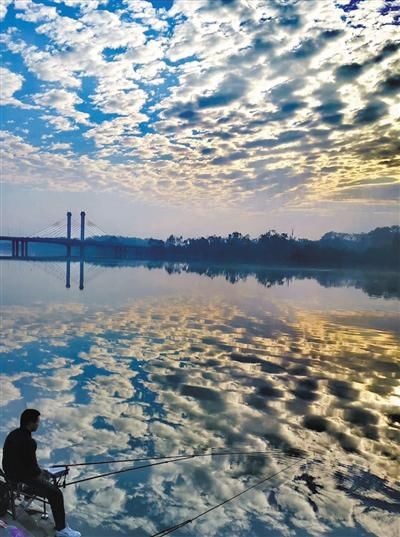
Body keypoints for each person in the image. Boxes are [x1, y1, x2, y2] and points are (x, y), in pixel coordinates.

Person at [2, 409, 81, 537]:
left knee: (43, 476)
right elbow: (33, 471)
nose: (38, 425)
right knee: (56, 493)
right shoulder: (29, 442)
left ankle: (25, 500)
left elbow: (17, 460)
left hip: (10, 473)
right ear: (30, 423)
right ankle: (61, 530)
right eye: (37, 422)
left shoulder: (13, 434)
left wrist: (40, 472)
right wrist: (45, 473)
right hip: (21, 476)